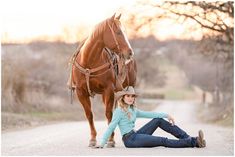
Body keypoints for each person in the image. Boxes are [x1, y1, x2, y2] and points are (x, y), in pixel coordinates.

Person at [94, 86, 206, 148]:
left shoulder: (133, 110)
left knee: (158, 120)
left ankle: (187, 137)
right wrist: (102, 142)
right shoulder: (119, 111)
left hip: (136, 134)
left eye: (132, 96)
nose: (130, 98)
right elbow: (111, 127)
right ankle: (194, 142)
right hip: (130, 140)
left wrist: (167, 115)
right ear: (123, 97)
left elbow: (151, 114)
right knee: (163, 140)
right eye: (128, 96)